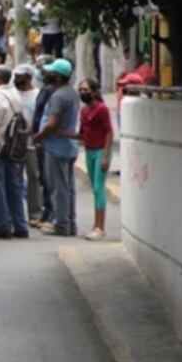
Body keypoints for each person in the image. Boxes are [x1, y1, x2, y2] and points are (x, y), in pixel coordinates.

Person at [0, 66, 29, 239]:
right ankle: (20, 224)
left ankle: (2, 225)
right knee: (14, 186)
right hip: (14, 147)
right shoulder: (15, 94)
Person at [34, 59, 79, 236]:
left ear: (59, 77)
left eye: (51, 73)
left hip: (56, 147)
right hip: (67, 147)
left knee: (58, 187)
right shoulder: (71, 93)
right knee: (68, 187)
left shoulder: (59, 96)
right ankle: (69, 222)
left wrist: (39, 136)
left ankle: (61, 224)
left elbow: (52, 124)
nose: (47, 75)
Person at [73, 79, 113, 241]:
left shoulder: (102, 109)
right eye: (81, 89)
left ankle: (100, 227)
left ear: (94, 91)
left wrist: (105, 155)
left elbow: (109, 132)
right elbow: (81, 134)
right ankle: (95, 225)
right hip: (89, 152)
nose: (83, 92)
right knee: (94, 189)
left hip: (100, 151)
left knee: (98, 188)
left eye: (86, 89)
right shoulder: (84, 111)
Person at [13, 64, 41, 224]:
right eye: (16, 77)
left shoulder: (37, 95)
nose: (17, 80)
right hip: (15, 144)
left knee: (33, 178)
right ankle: (17, 214)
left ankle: (35, 213)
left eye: (20, 77)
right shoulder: (14, 95)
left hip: (31, 143)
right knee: (14, 178)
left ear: (29, 78)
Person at [32, 56, 56, 225]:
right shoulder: (45, 89)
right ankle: (47, 211)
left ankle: (51, 212)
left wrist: (39, 136)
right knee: (44, 177)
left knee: (49, 178)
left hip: (46, 140)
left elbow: (47, 117)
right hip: (41, 139)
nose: (41, 72)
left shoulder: (50, 91)